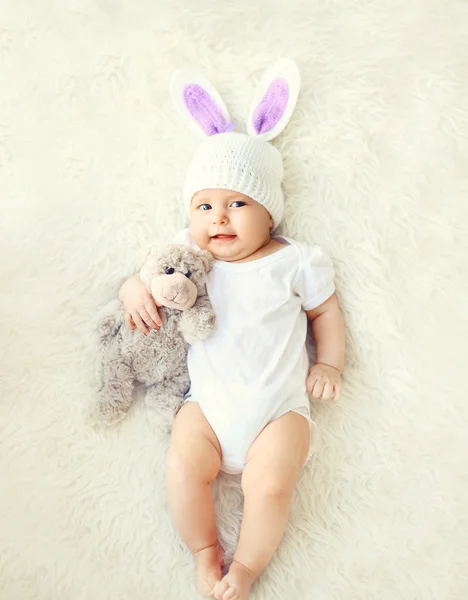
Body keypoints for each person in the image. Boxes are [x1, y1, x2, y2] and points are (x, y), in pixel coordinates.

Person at [118, 63, 345, 600]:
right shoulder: (192, 256)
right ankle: (204, 552)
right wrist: (133, 288)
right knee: (182, 463)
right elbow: (151, 272)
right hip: (208, 408)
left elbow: (326, 314)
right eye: (205, 206)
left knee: (271, 486)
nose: (219, 218)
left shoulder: (295, 261)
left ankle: (243, 569)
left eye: (238, 203)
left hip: (278, 412)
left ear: (270, 215)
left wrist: (329, 362)